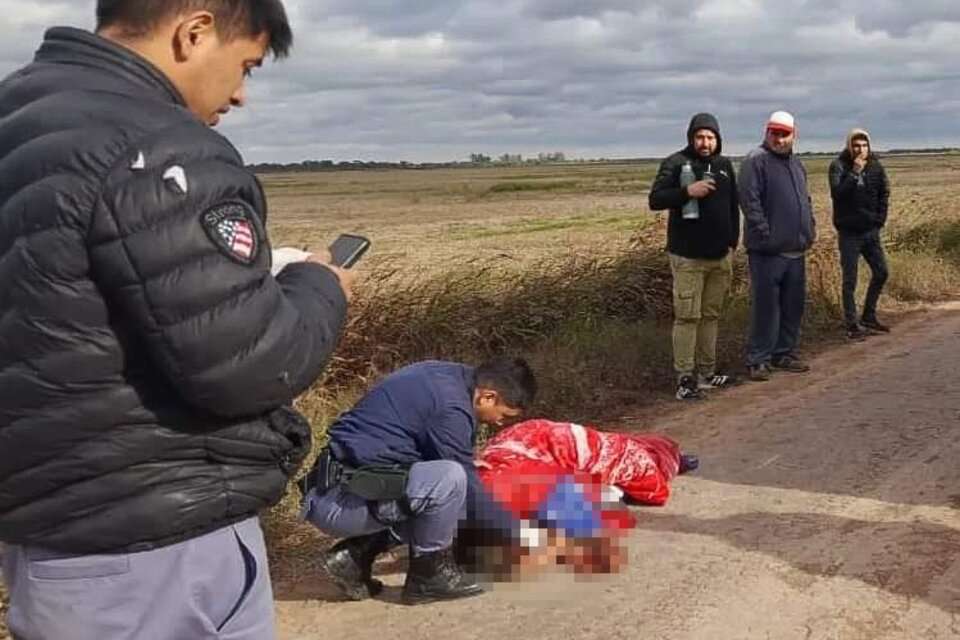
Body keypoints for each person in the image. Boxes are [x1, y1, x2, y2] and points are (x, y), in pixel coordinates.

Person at [0, 3, 352, 639]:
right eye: (245, 64)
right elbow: (251, 363)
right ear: (195, 31)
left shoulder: (20, 121)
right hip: (155, 543)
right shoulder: (158, 145)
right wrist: (318, 284)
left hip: (51, 541)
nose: (240, 94)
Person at [299, 358, 537, 605]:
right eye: (505, 415)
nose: (501, 423)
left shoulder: (446, 377)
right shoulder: (451, 407)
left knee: (445, 490)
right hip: (339, 503)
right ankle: (428, 578)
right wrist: (519, 535)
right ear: (488, 397)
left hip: (341, 490)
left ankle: (356, 555)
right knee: (451, 479)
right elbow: (465, 483)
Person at [649, 113, 740, 400]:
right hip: (688, 257)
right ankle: (685, 379)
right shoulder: (676, 163)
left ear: (718, 139)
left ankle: (707, 373)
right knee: (688, 317)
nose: (705, 142)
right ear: (691, 137)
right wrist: (687, 190)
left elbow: (733, 205)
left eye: (710, 137)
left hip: (719, 256)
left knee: (711, 315)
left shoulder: (724, 166)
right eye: (700, 137)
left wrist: (733, 242)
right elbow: (655, 199)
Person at [739, 111, 816, 381]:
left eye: (784, 134)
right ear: (766, 132)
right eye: (774, 133)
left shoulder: (796, 164)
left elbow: (805, 199)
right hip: (767, 252)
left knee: (793, 306)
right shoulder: (755, 161)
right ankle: (758, 359)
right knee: (766, 308)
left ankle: (784, 353)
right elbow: (750, 202)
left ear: (794, 135)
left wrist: (810, 229)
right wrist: (766, 235)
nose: (779, 139)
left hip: (796, 249)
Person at [828, 128, 892, 339]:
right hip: (849, 233)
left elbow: (884, 193)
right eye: (856, 145)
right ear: (849, 145)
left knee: (881, 272)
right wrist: (854, 172)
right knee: (850, 280)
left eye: (864, 145)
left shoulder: (875, 166)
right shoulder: (838, 166)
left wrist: (879, 220)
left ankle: (868, 315)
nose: (860, 149)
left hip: (870, 231)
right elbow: (838, 194)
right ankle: (851, 324)